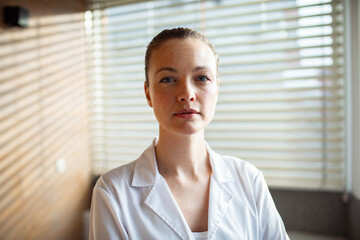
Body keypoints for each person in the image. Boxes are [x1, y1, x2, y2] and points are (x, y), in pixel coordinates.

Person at [89, 27, 290, 240]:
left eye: (201, 78)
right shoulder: (113, 192)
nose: (186, 94)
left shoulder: (249, 181)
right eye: (168, 79)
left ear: (217, 90)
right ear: (148, 94)